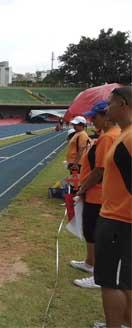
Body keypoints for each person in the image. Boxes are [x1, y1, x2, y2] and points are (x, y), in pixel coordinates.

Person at [71, 100, 121, 289]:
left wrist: (82, 188)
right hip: (99, 192)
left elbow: (100, 170)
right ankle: (90, 263)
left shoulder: (108, 138)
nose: (92, 120)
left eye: (95, 117)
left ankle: (98, 274)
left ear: (106, 117)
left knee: (97, 234)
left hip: (98, 193)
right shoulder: (109, 135)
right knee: (91, 231)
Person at [93, 86, 131, 328]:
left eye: (111, 102)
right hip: (120, 218)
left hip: (120, 221)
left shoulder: (128, 138)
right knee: (124, 280)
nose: (107, 108)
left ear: (123, 104)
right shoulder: (124, 134)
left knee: (112, 282)